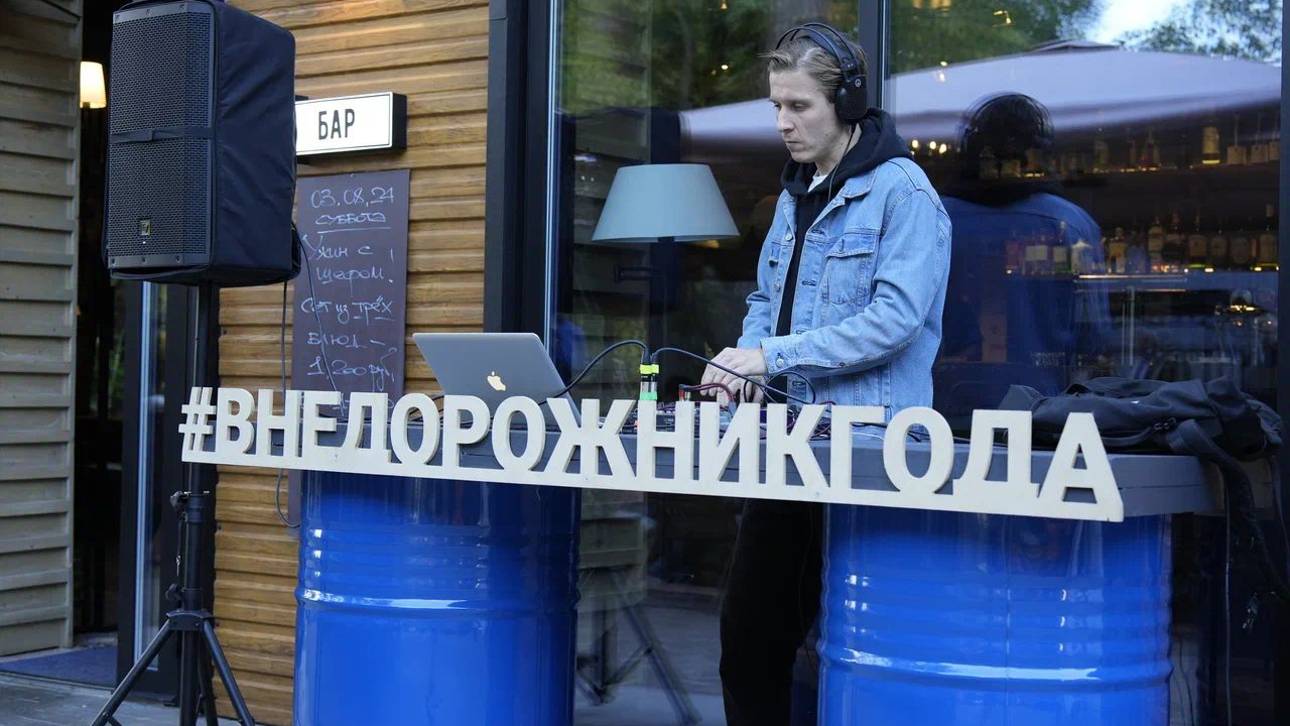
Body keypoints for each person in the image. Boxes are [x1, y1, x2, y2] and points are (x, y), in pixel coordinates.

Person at [699, 22, 951, 725]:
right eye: (776, 106)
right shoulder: (795, 194)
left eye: (799, 106)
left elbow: (895, 320)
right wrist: (743, 362)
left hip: (868, 451)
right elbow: (765, 301)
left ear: (847, 103)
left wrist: (771, 357)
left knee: (855, 652)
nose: (783, 122)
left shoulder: (905, 194)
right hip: (787, 445)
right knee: (748, 640)